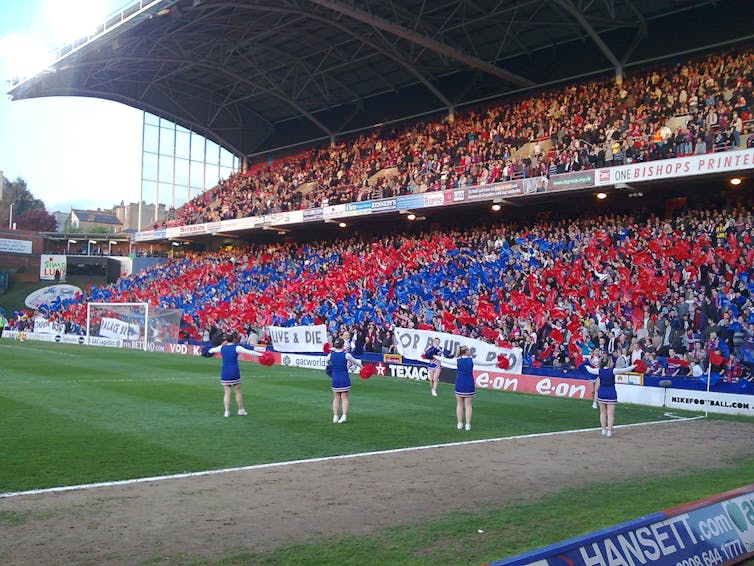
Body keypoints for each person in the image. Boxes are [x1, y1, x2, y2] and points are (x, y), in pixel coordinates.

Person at [207, 331, 261, 417]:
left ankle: (226, 412)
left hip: (225, 371)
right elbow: (250, 352)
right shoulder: (237, 348)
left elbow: (210, 350)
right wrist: (262, 354)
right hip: (234, 371)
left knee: (227, 392)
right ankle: (240, 410)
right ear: (234, 339)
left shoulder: (222, 348)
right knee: (237, 391)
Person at [585, 356, 635, 438]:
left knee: (602, 412)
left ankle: (603, 429)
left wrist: (586, 364)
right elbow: (625, 370)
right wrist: (634, 366)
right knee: (610, 414)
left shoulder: (599, 371)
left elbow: (589, 369)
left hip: (601, 393)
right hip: (611, 393)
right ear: (608, 363)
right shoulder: (613, 371)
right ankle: (609, 431)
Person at [437, 345, 475, 430]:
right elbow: (486, 363)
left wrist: (434, 356)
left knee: (459, 404)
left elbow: (445, 360)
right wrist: (498, 362)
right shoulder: (472, 360)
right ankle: (468, 425)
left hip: (460, 383)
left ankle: (459, 423)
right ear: (466, 351)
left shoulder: (457, 360)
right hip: (469, 383)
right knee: (468, 405)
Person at [325, 337, 363, 423]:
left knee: (336, 397)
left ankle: (335, 416)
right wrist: (364, 369)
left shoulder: (330, 355)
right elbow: (357, 363)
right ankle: (344, 415)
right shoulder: (346, 355)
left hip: (335, 378)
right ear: (343, 345)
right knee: (344, 398)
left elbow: (327, 365)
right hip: (344, 377)